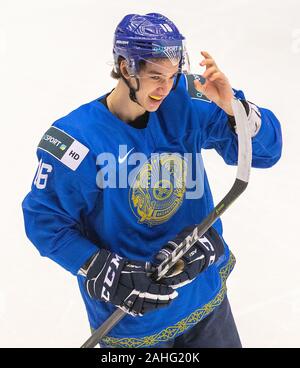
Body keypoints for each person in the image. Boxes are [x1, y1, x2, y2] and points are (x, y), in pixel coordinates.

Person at [22, 13, 282, 348]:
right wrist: (100, 267)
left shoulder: (186, 100)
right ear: (126, 67)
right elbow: (44, 221)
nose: (166, 87)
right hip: (135, 324)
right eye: (156, 76)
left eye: (173, 76)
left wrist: (234, 109)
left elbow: (266, 153)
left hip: (203, 299)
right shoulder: (77, 140)